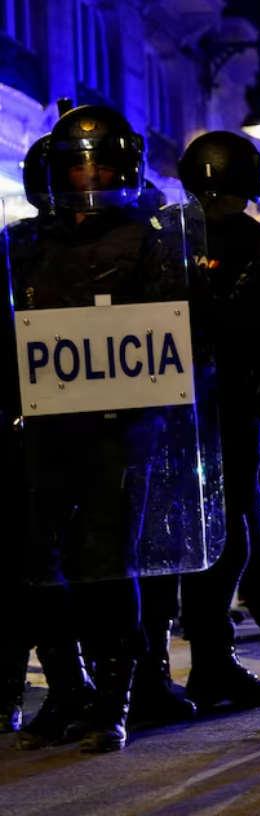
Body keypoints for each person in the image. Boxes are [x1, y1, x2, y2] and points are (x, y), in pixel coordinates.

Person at [2, 105, 211, 751]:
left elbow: (184, 332)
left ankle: (113, 701)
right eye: (76, 166)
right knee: (35, 564)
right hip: (43, 428)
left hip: (125, 429)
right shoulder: (25, 245)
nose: (90, 178)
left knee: (108, 564)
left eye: (102, 166)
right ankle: (68, 687)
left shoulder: (154, 240)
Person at [171, 131, 260, 714]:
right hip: (223, 409)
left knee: (218, 533)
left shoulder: (171, 236)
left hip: (197, 409)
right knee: (231, 532)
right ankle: (213, 661)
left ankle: (201, 661)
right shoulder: (254, 240)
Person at [0, 134, 54, 734]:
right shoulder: (13, 248)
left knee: (33, 565)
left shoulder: (18, 249)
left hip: (43, 428)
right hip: (20, 425)